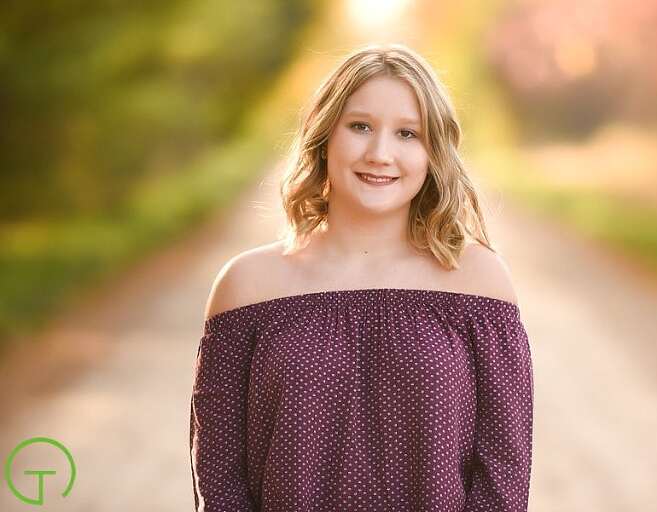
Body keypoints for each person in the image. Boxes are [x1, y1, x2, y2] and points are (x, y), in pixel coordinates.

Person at [189, 43, 534, 511]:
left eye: (408, 134)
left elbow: (503, 478)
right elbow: (220, 481)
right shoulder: (246, 286)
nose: (380, 153)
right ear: (324, 136)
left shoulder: (478, 284)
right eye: (360, 127)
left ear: (434, 152)